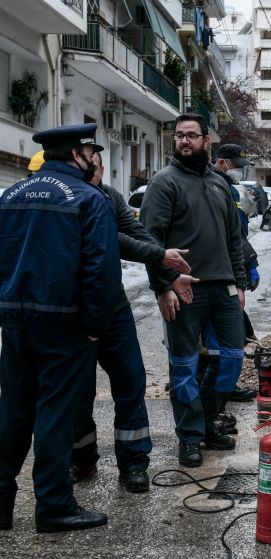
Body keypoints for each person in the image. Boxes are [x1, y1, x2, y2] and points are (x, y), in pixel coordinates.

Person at [0, 124, 121, 533]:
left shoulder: (11, 196)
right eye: (91, 152)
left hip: (16, 323)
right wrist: (94, 327)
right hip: (64, 326)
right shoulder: (89, 199)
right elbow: (100, 272)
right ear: (76, 155)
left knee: (13, 412)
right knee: (55, 414)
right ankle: (53, 505)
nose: (94, 159)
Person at [66, 151, 195, 492]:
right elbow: (113, 240)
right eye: (84, 163)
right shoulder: (71, 198)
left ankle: (134, 464)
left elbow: (137, 233)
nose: (90, 169)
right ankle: (82, 459)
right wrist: (160, 255)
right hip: (75, 312)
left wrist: (168, 272)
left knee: (131, 383)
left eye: (94, 164)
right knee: (79, 392)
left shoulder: (109, 196)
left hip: (114, 308)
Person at [140, 113, 247, 468]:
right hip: (184, 290)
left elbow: (235, 238)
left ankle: (204, 421)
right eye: (179, 136)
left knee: (232, 360)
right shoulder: (164, 182)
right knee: (184, 366)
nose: (185, 141)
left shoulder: (219, 183)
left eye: (192, 135)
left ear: (206, 140)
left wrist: (240, 283)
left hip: (224, 290)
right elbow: (148, 240)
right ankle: (189, 436)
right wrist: (163, 285)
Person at [213, 143, 260, 402]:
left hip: (233, 265)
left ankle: (223, 388)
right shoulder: (213, 188)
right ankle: (215, 391)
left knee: (229, 334)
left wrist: (248, 262)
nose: (239, 172)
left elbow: (238, 234)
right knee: (220, 338)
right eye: (235, 166)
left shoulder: (230, 190)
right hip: (217, 272)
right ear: (221, 163)